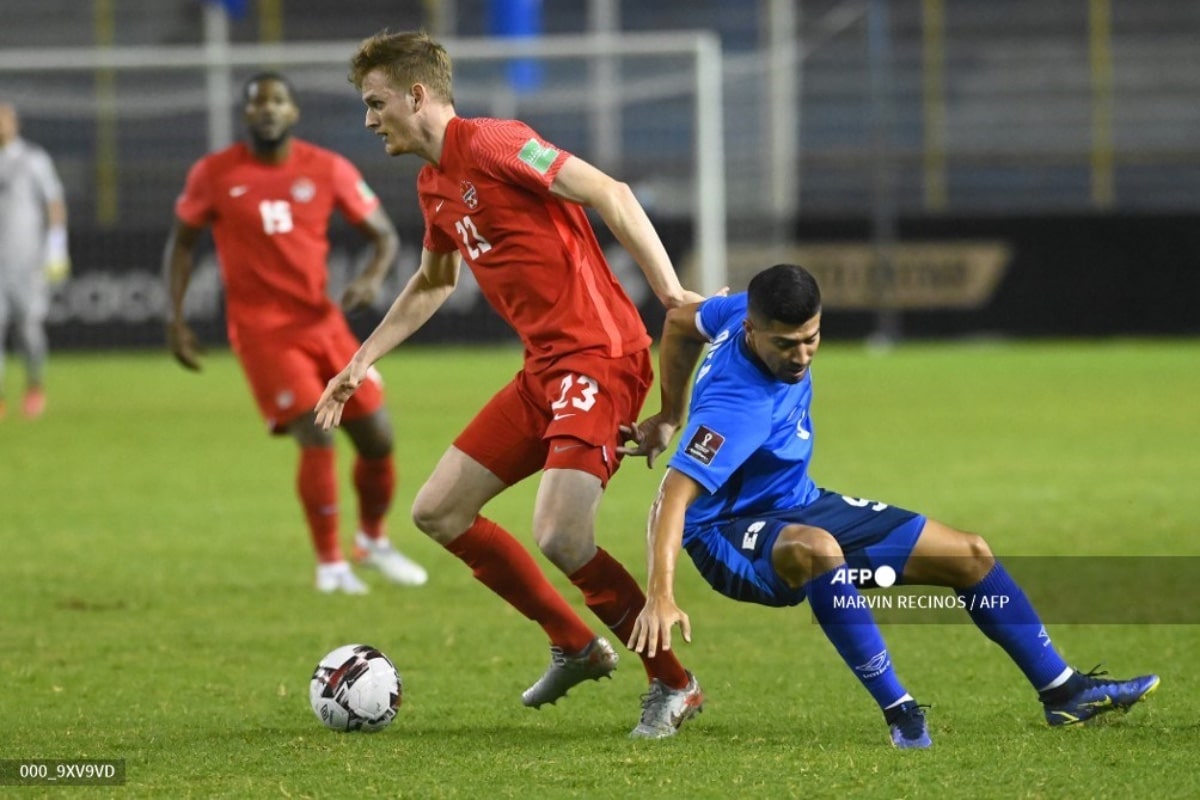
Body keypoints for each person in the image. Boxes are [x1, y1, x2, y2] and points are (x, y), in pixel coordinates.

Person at [315, 30, 705, 739]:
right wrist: (360, 361)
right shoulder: (433, 184)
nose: (369, 120)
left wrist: (673, 293)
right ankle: (576, 643)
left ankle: (674, 684)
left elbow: (609, 192)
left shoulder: (495, 142)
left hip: (600, 356)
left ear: (418, 95)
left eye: (377, 104)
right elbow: (433, 284)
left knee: (560, 533)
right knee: (439, 512)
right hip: (544, 371)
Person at [622, 263, 1160, 749]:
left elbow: (677, 322)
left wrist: (668, 412)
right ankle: (902, 713)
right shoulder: (733, 410)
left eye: (811, 339)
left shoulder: (741, 308)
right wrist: (661, 594)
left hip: (796, 502)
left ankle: (1064, 692)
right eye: (786, 345)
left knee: (969, 553)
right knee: (818, 549)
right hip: (725, 533)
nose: (802, 355)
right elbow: (673, 495)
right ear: (752, 333)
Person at [163, 72, 428, 594]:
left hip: (323, 323)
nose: (266, 109)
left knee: (379, 437)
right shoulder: (214, 174)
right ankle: (331, 563)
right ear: (246, 115)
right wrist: (175, 318)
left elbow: (384, 236)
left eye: (277, 101)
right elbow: (182, 245)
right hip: (263, 332)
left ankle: (372, 541)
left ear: (293, 112)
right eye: (256, 102)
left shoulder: (326, 168)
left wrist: (371, 279)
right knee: (316, 431)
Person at [0, 102, 70, 420]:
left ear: (15, 122)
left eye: (5, 117)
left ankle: (34, 385)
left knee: (28, 328)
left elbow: (54, 201)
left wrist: (56, 247)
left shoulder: (33, 159)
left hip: (27, 261)